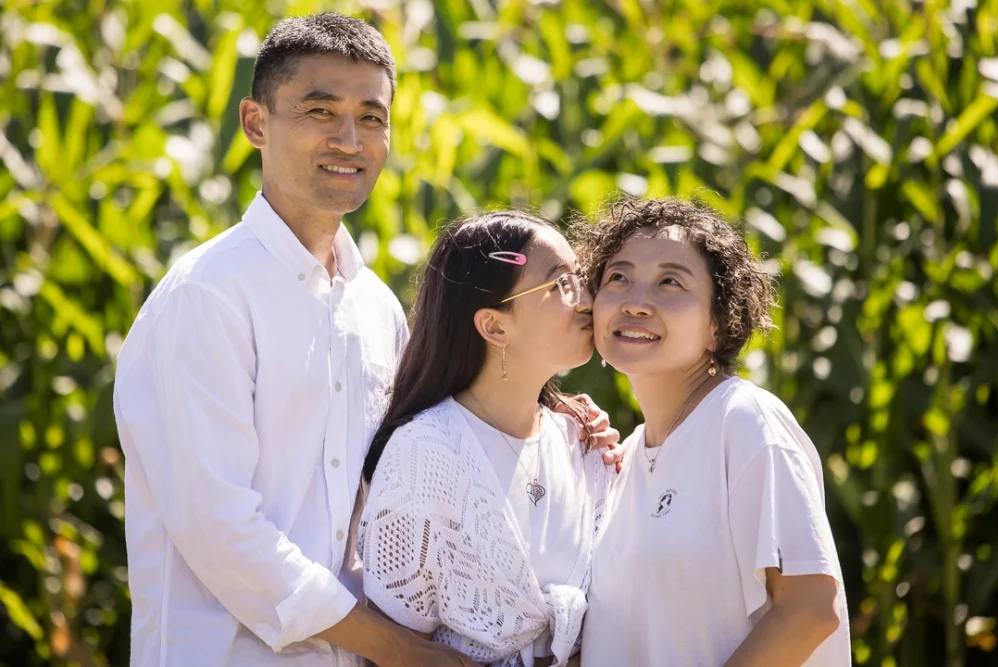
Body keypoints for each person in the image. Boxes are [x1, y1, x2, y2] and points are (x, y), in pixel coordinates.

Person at [113, 13, 480, 667]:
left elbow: (417, 473)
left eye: (372, 117)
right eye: (321, 111)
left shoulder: (376, 308)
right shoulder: (207, 296)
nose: (350, 138)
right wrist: (397, 649)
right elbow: (219, 525)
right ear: (257, 123)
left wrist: (563, 433)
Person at [575, 197, 851, 667]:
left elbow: (809, 610)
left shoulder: (744, 420)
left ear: (718, 325)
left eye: (670, 282)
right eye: (617, 278)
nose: (636, 303)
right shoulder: (623, 460)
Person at [357, 211, 619, 667]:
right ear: (494, 326)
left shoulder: (582, 440)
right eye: (560, 284)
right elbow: (393, 647)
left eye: (582, 277)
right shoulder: (425, 454)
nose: (586, 299)